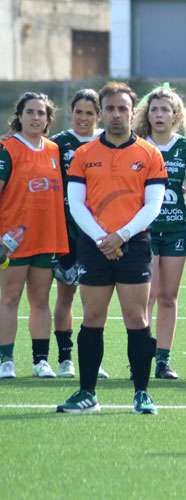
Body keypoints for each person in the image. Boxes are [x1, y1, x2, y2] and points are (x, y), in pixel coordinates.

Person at [57, 81, 167, 414]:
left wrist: (121, 236)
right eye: (111, 108)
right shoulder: (84, 155)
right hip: (95, 245)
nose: (117, 114)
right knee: (92, 317)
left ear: (133, 112)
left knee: (137, 318)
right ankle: (87, 393)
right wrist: (103, 239)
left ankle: (141, 393)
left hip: (133, 244)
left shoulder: (149, 154)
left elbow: (154, 205)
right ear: (101, 112)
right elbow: (76, 203)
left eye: (123, 108)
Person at [133, 83, 186, 380]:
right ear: (147, 114)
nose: (159, 114)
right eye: (155, 109)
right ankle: (141, 355)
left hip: (175, 229)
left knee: (169, 297)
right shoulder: (135, 143)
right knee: (145, 297)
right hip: (143, 231)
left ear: (176, 115)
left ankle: (163, 359)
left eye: (165, 109)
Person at [0, 92, 69, 379]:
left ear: (48, 119)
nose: (36, 117)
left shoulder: (53, 150)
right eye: (30, 112)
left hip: (47, 238)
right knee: (9, 299)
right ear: (20, 116)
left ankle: (41, 361)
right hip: (12, 240)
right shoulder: (7, 148)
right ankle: (5, 360)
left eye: (41, 113)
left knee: (40, 300)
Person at [50, 89, 110, 379]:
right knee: (66, 295)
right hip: (65, 230)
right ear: (70, 112)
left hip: (99, 230)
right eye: (78, 112)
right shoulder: (57, 144)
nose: (83, 118)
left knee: (94, 299)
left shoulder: (107, 142)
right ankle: (64, 359)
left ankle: (92, 359)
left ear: (98, 116)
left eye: (89, 113)